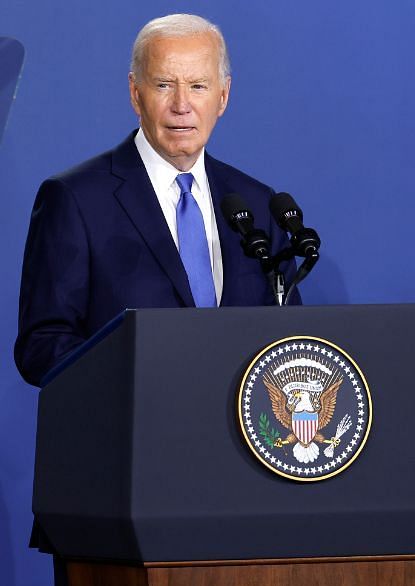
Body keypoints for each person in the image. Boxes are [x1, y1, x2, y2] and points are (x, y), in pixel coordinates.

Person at [14, 13, 296, 388]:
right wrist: (141, 381)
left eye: (198, 86)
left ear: (223, 96)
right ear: (135, 93)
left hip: (238, 439)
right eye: (164, 85)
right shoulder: (76, 200)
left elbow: (290, 340)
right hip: (128, 433)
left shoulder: (258, 205)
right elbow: (43, 344)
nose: (182, 105)